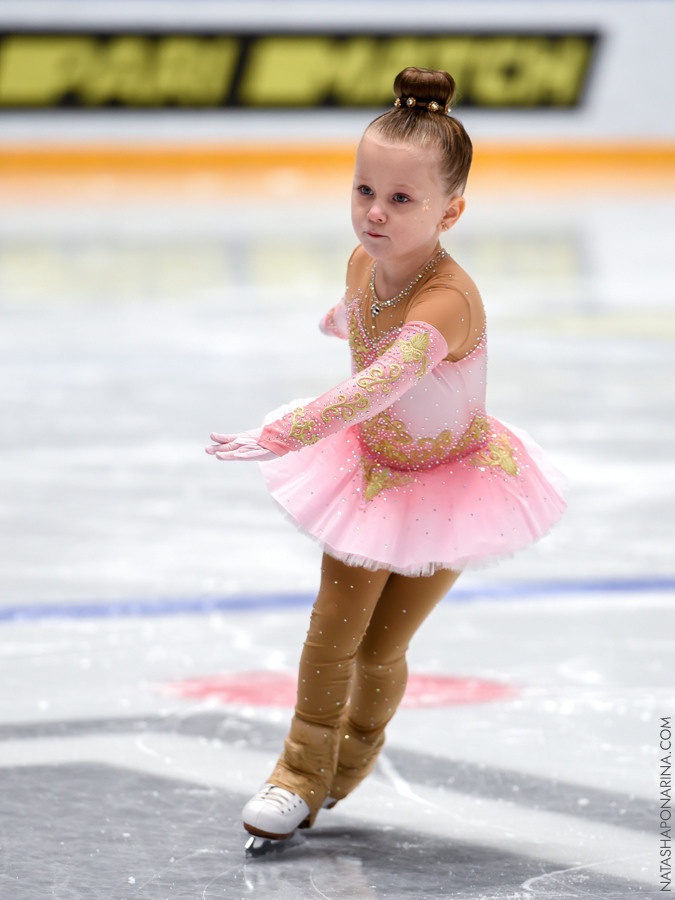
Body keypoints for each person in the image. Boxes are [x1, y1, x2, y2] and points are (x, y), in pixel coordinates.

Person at [206, 67, 566, 843]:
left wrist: (283, 431)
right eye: (364, 190)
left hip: (450, 485)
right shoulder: (363, 262)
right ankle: (296, 774)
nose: (374, 213)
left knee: (380, 649)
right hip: (368, 474)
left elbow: (383, 380)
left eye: (401, 200)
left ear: (451, 210)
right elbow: (362, 313)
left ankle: (350, 761)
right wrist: (341, 317)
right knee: (332, 629)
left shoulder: (448, 300)